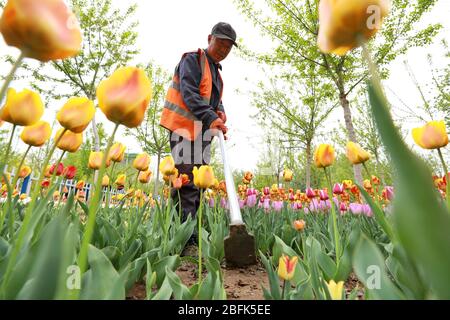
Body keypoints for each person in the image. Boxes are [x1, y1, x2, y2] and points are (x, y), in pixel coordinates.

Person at [160, 22, 237, 244]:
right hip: (184, 129)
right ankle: (184, 236)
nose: (223, 50)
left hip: (201, 133)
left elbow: (214, 101)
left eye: (228, 48)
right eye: (220, 44)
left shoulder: (215, 71)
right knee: (187, 183)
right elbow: (190, 93)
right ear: (209, 38)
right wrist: (211, 117)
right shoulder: (192, 60)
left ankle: (188, 232)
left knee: (198, 184)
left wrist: (220, 114)